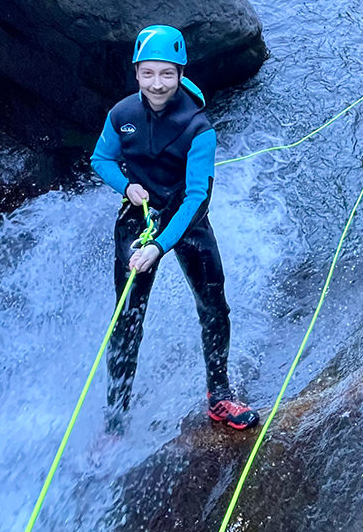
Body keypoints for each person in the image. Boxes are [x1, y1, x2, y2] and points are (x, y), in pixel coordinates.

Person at [91, 24, 259, 432]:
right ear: (136, 73)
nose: (157, 83)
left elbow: (198, 196)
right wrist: (125, 186)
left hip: (187, 219)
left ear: (181, 74)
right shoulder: (122, 115)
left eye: (167, 73)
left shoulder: (199, 128)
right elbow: (101, 160)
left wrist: (160, 246)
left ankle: (219, 397)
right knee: (128, 316)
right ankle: (115, 422)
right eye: (148, 73)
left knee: (214, 307)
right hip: (139, 214)